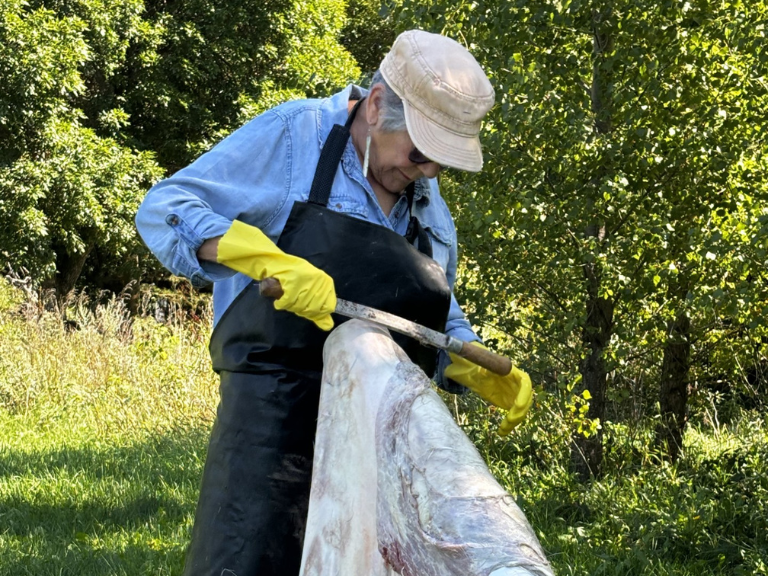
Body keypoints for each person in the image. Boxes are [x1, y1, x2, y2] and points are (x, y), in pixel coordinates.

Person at [135, 29, 533, 576]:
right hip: (270, 429)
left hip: (377, 451)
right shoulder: (294, 138)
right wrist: (258, 257)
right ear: (375, 106)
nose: (431, 174)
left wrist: (465, 356)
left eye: (442, 163)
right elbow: (165, 207)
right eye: (421, 154)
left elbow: (435, 320)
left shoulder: (429, 208)